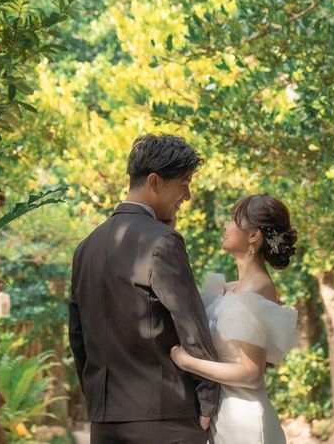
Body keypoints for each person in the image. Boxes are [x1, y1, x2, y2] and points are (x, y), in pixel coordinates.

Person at [69, 134, 219, 444]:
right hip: (165, 421)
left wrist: (98, 401)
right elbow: (191, 328)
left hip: (105, 421)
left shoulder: (86, 247)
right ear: (154, 181)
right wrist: (208, 398)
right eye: (184, 184)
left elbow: (78, 335)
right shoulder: (162, 241)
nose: (187, 195)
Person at [171, 194, 298, 444]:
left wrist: (187, 362)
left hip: (245, 422)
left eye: (233, 220)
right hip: (226, 416)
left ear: (253, 235)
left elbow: (251, 373)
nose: (226, 225)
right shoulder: (235, 288)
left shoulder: (256, 289)